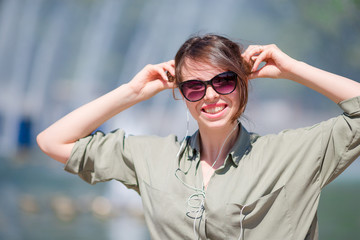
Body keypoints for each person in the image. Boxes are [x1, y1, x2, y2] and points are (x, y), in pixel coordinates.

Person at [37, 34, 360, 240]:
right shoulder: (152, 156)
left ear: (243, 84)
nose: (210, 95)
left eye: (224, 81)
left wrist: (293, 69)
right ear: (181, 94)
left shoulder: (293, 153)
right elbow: (53, 142)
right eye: (194, 86)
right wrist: (131, 92)